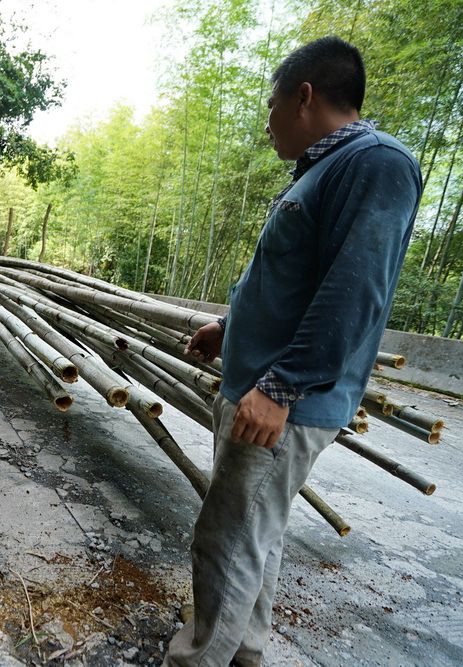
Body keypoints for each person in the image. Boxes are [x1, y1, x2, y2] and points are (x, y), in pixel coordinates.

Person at [163, 36, 421, 666]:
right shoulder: (326, 168)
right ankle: (243, 654)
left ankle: (198, 659)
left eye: (272, 104)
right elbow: (291, 280)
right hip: (261, 387)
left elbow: (354, 290)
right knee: (254, 538)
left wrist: (281, 387)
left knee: (227, 542)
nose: (269, 120)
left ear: (304, 96)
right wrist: (232, 328)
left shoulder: (375, 164)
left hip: (284, 403)